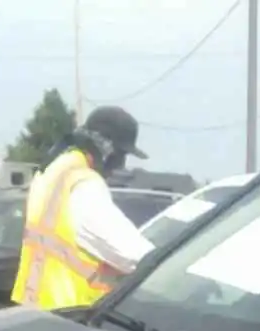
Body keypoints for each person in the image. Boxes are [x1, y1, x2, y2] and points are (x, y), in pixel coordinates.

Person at [12, 105, 157, 310]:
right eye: (120, 155)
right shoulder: (84, 183)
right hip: (71, 311)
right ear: (106, 149)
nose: (120, 165)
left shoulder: (53, 170)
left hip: (36, 305)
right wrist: (169, 269)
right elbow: (130, 253)